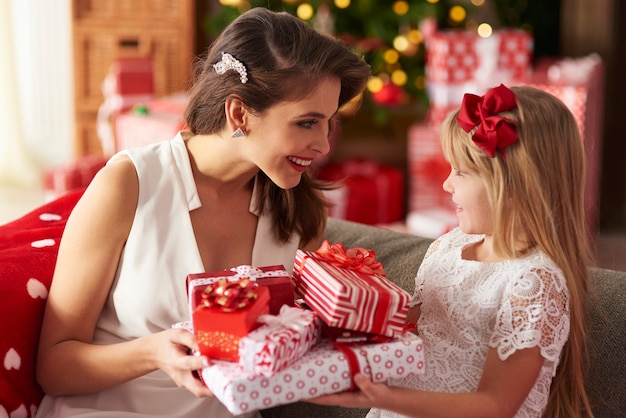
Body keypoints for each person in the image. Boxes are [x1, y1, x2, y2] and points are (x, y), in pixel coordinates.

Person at [35, 7, 370, 418]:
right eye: (307, 123)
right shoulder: (128, 183)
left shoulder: (301, 211)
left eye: (329, 123)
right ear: (239, 113)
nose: (323, 145)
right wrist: (152, 352)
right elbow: (53, 367)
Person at [310, 84, 594, 417]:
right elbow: (413, 323)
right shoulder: (450, 244)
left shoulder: (533, 282)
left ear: (514, 185)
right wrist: (346, 302)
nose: (446, 185)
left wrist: (383, 397)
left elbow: (495, 406)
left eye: (459, 172)